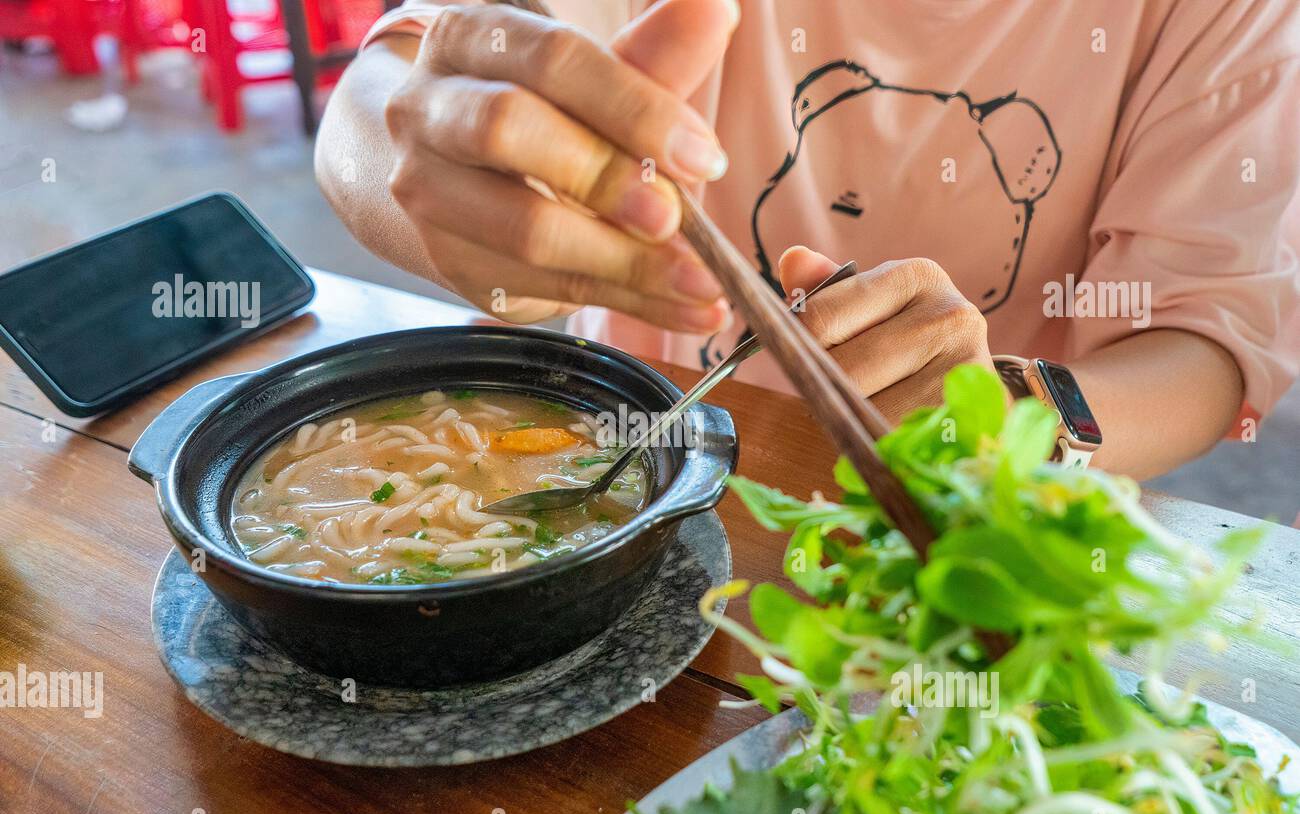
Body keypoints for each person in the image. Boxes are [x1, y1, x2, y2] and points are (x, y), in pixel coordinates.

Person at [316, 0, 1300, 479]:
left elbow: (1205, 337)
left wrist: (1018, 414)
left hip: (991, 557)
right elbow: (387, 88)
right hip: (636, 498)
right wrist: (461, 195)